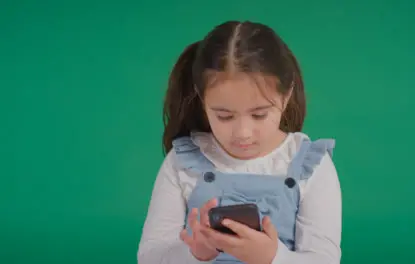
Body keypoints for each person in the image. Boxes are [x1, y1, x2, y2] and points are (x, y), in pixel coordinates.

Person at [137, 20, 342, 264]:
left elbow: (325, 260)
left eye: (259, 114)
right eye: (224, 116)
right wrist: (194, 254)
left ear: (286, 96)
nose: (243, 133)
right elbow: (150, 256)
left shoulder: (310, 165)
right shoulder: (182, 162)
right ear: (202, 98)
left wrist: (272, 257)